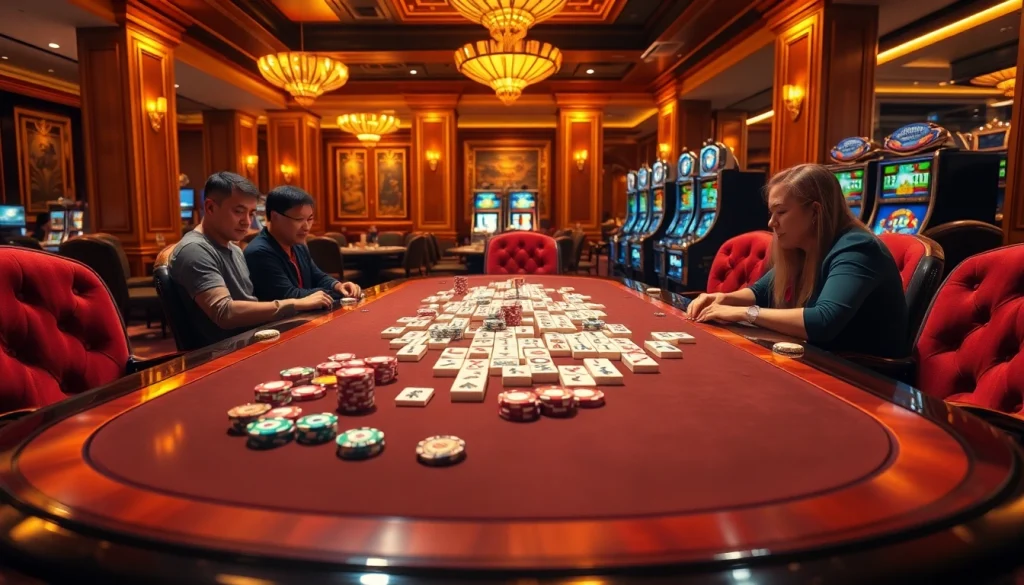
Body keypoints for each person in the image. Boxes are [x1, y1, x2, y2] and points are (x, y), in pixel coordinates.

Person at [686, 163, 909, 357]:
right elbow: (760, 292)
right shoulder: (804, 248)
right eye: (771, 213)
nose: (771, 222)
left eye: (781, 212)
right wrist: (721, 298)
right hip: (823, 359)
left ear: (815, 212)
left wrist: (745, 313)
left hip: (866, 377)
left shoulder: (858, 248)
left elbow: (823, 321)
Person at [169, 172, 332, 345]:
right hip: (224, 353)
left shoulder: (234, 249)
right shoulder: (194, 249)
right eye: (239, 212)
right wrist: (296, 303)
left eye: (251, 213)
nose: (247, 222)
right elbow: (224, 312)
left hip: (255, 340)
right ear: (210, 208)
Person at [244, 185, 361, 302]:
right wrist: (338, 294)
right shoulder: (259, 252)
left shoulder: (298, 245)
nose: (306, 227)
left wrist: (338, 286)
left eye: (309, 219)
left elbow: (317, 276)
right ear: (275, 217)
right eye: (299, 219)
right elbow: (289, 295)